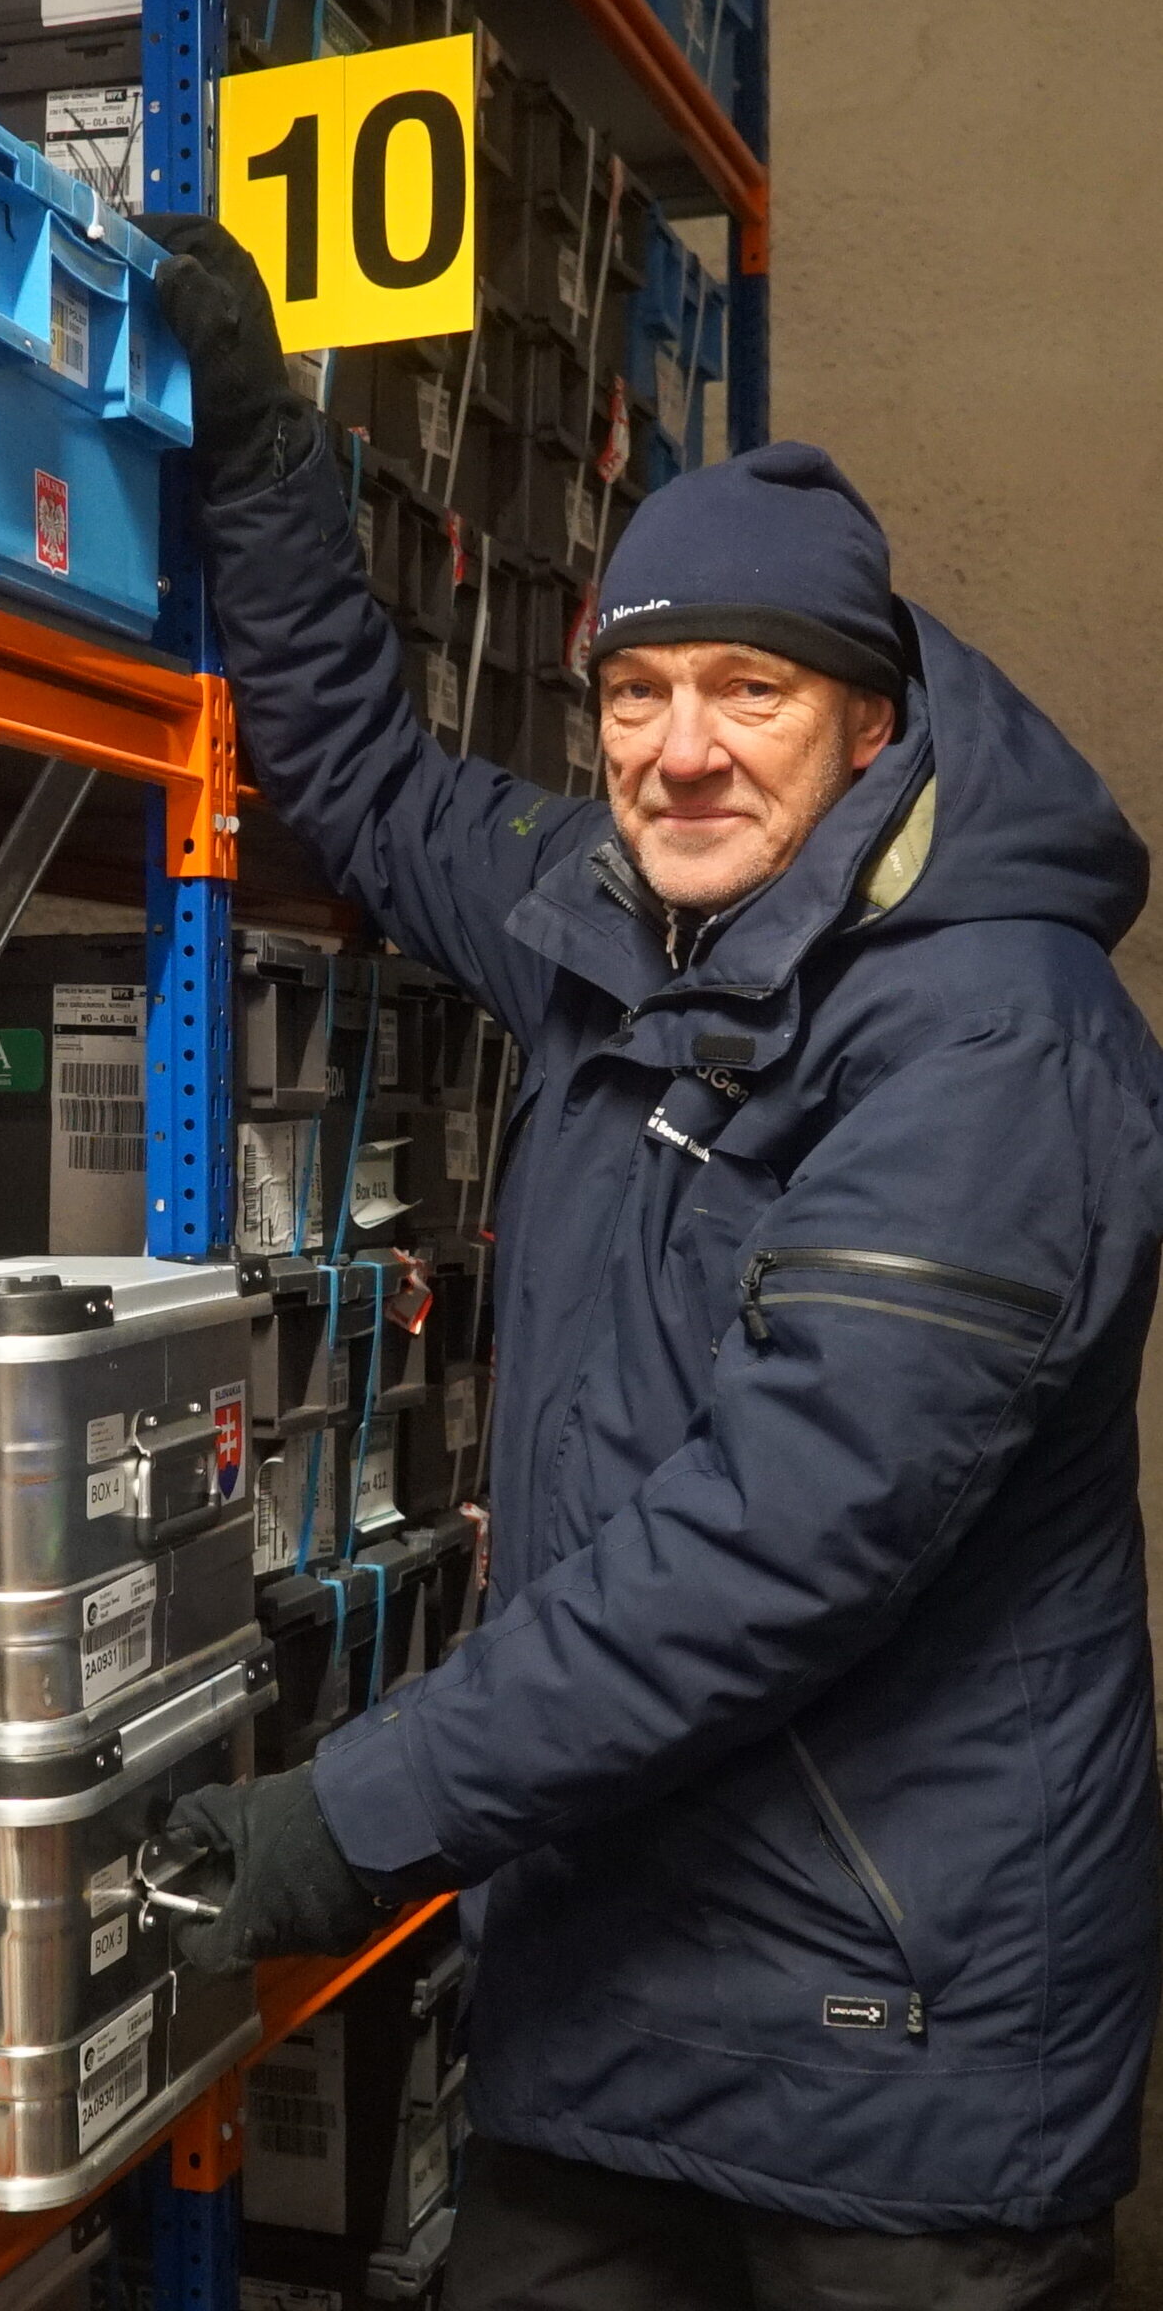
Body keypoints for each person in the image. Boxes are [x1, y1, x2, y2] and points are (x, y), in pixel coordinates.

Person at [146, 217, 1163, 2311]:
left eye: (748, 689)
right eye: (635, 689)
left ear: (871, 726)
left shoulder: (997, 1035)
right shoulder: (614, 931)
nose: (678, 747)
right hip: (609, 2008)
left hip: (898, 2054)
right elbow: (363, 776)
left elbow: (775, 1544)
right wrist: (258, 451)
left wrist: (346, 1815)